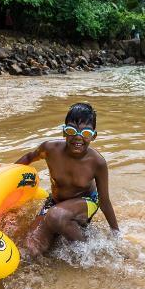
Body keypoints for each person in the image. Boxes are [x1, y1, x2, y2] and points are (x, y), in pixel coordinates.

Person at [15, 103, 119, 258]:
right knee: (30, 249)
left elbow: (104, 201)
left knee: (56, 216)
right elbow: (29, 157)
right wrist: (5, 177)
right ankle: (62, 226)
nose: (78, 137)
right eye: (71, 130)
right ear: (64, 132)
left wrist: (115, 233)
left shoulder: (97, 162)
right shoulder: (50, 149)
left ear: (94, 136)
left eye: (85, 132)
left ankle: (89, 250)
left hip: (86, 202)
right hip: (55, 202)